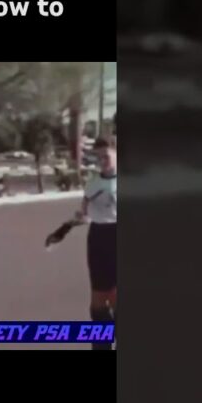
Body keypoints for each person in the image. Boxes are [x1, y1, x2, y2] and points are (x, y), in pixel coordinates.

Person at [76, 137, 117, 351]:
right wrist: (81, 216)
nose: (103, 160)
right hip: (99, 237)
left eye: (106, 155)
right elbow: (84, 207)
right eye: (99, 157)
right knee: (99, 298)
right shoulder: (93, 182)